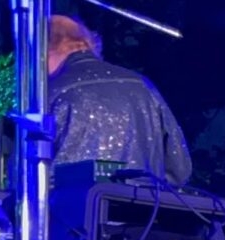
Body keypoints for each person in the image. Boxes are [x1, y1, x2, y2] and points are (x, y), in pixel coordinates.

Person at [47, 15, 192, 185]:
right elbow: (179, 169)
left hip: (66, 209)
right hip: (144, 208)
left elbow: (24, 179)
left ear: (45, 51)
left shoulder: (50, 93)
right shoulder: (142, 86)